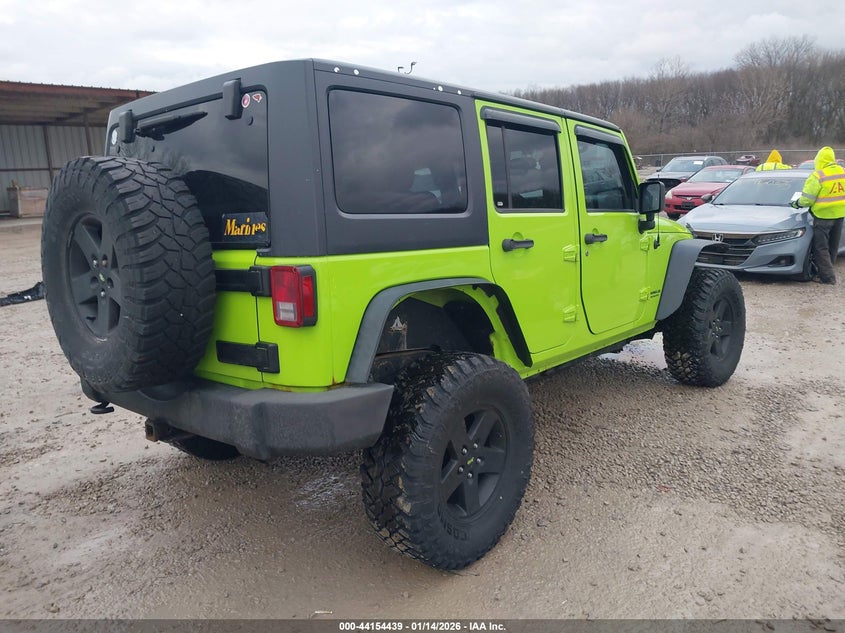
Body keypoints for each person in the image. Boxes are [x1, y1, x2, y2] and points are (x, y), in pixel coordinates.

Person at [791, 146, 845, 284]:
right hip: (839, 215)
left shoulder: (818, 176)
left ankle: (827, 277)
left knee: (821, 248)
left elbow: (807, 199)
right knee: (833, 246)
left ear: (819, 159)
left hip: (823, 216)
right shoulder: (842, 172)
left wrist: (796, 203)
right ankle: (827, 271)